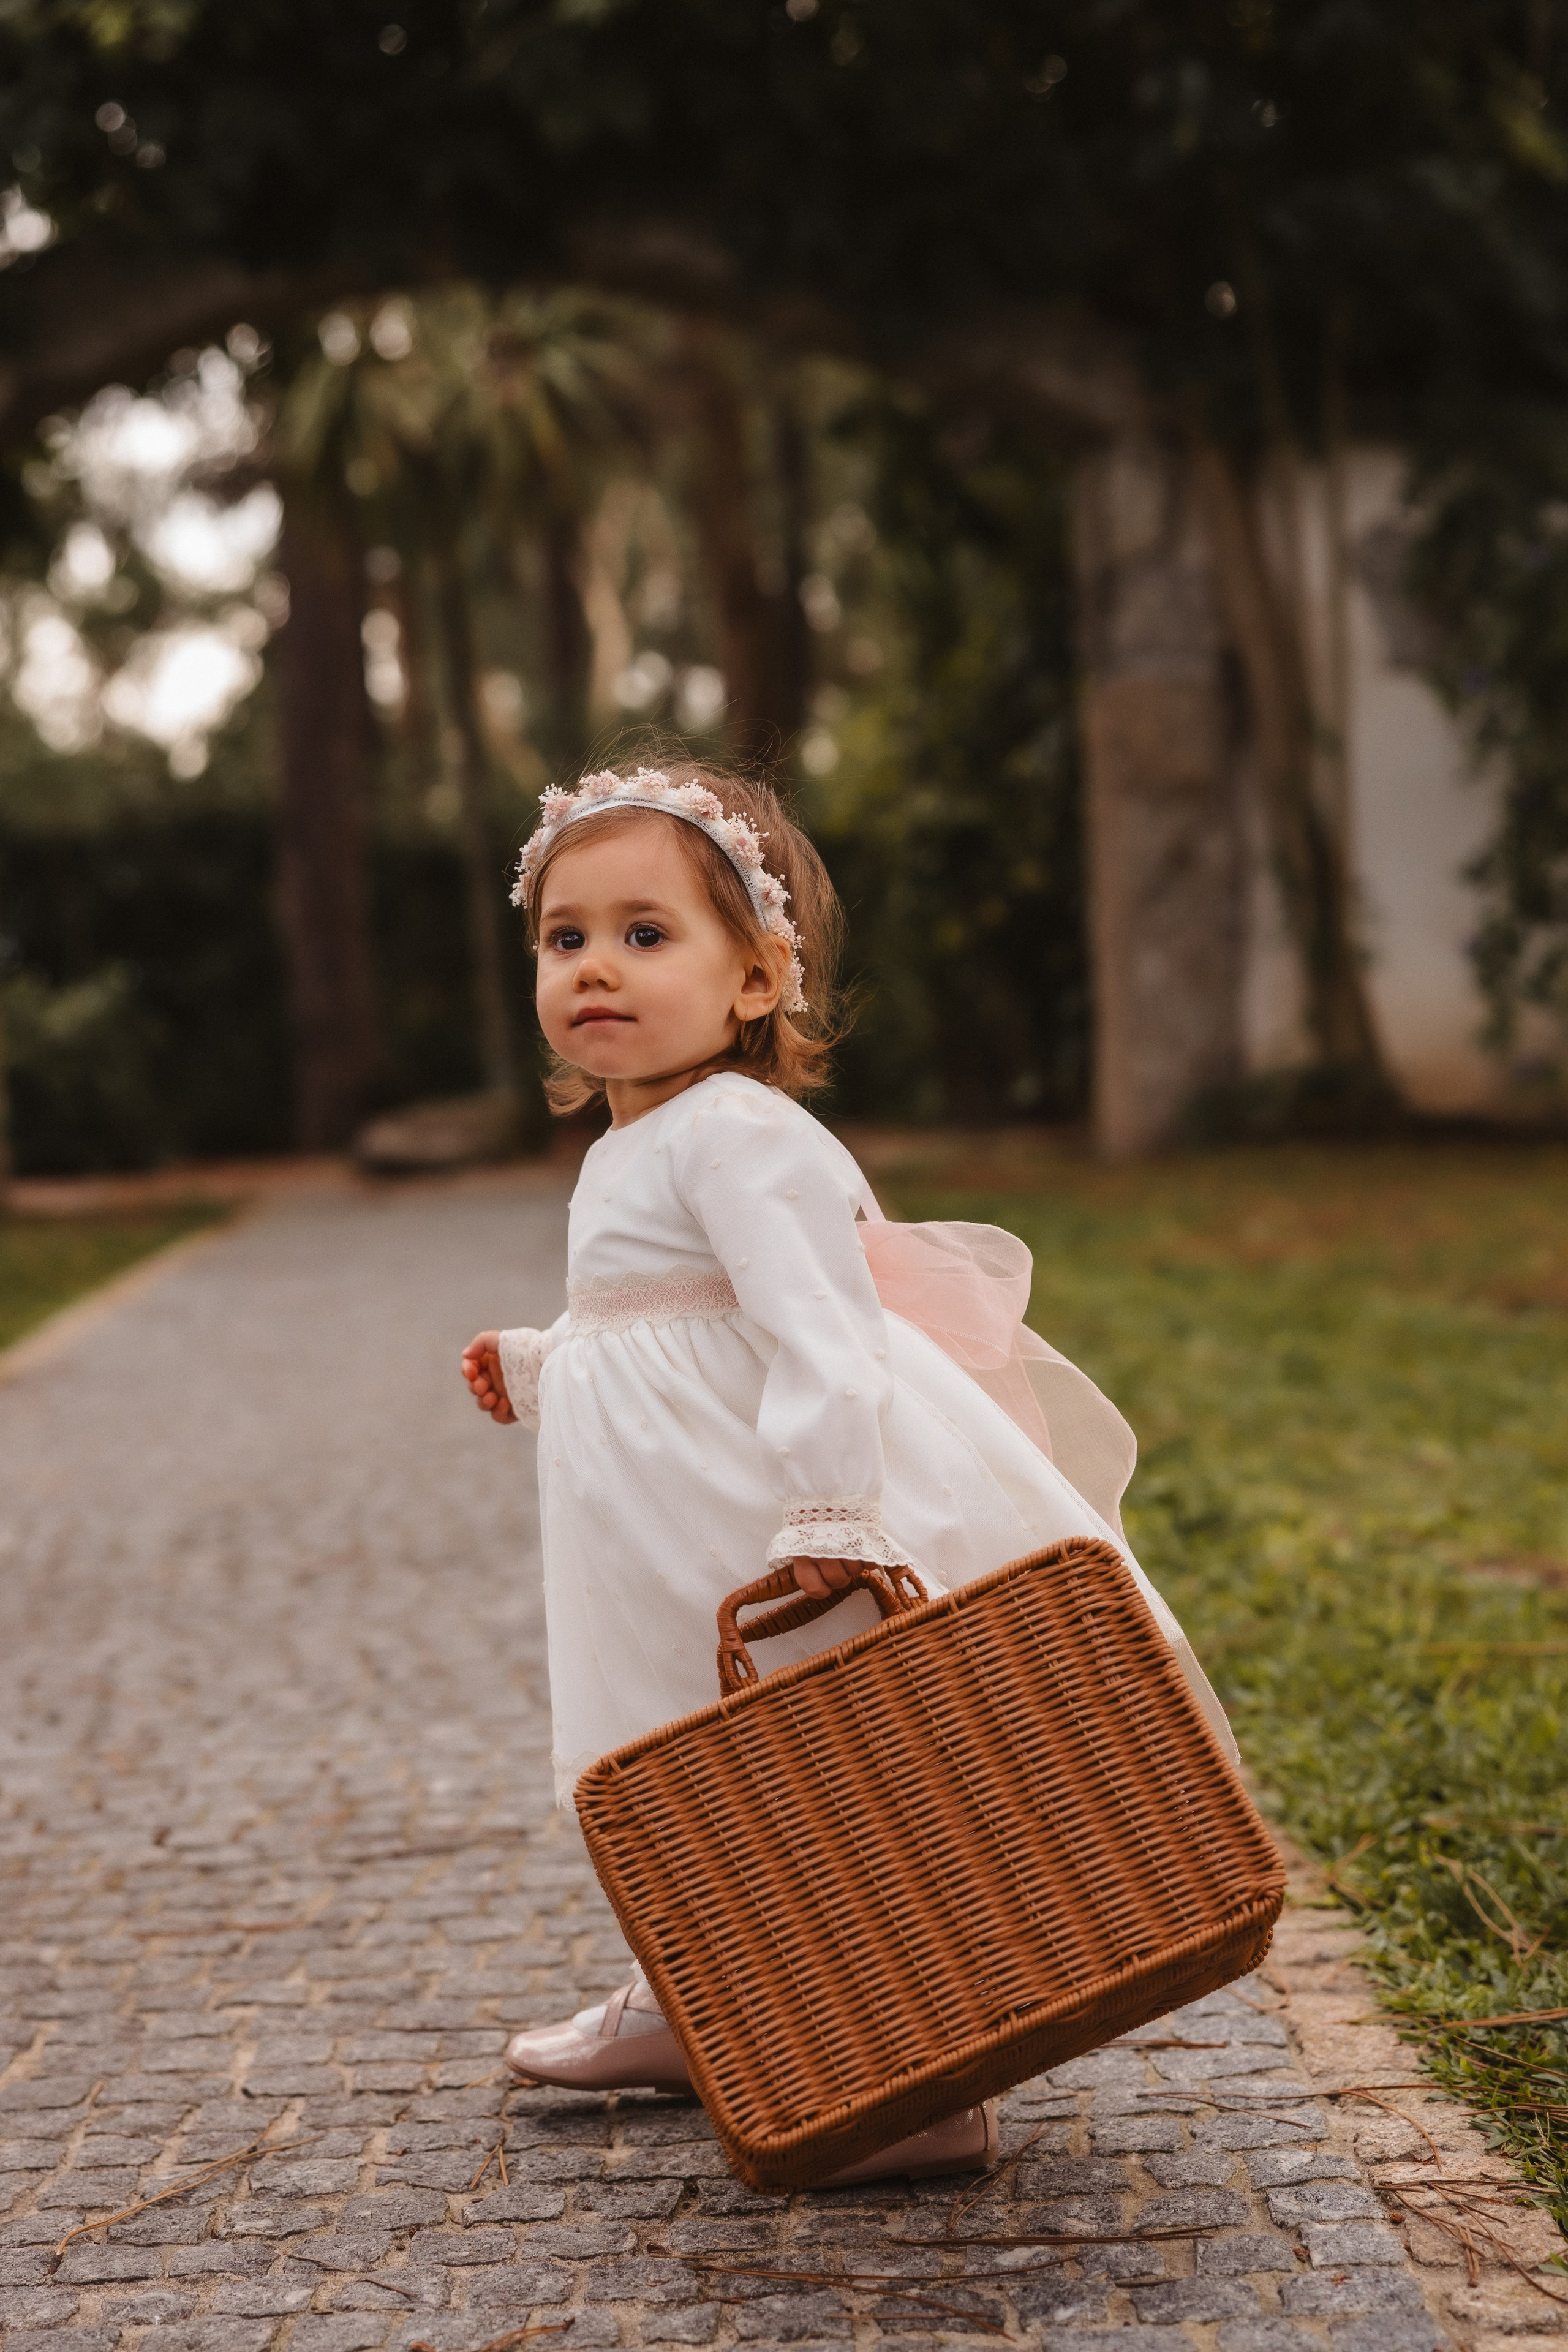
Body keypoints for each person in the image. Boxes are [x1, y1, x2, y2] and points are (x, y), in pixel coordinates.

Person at [461, 760, 1235, 2187]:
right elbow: (660, 1318)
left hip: (752, 1517)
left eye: (646, 934)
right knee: (670, 1762)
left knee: (835, 1772)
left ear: (755, 982)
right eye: (565, 938)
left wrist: (829, 1503)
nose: (594, 968)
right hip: (649, 1534)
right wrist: (541, 1359)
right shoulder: (632, 1141)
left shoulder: (739, 1135)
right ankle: (706, 2003)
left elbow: (821, 1331)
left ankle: (921, 2068)